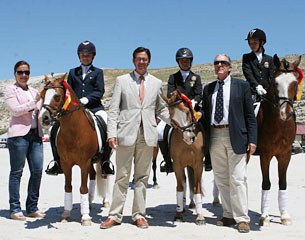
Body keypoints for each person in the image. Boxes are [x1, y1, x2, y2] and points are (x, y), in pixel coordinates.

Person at [100, 47, 170, 229]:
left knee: (142, 177)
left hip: (147, 135)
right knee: (122, 176)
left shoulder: (156, 82)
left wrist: (175, 122)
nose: (141, 62)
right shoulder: (122, 81)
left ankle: (139, 214)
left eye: (145, 59)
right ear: (133, 61)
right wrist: (111, 133)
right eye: (138, 59)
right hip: (125, 134)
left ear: (149, 61)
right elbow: (113, 109)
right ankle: (114, 215)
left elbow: (161, 108)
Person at [45, 40, 112, 204]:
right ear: (79, 56)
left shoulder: (98, 72)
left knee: (106, 123)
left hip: (95, 107)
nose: (85, 57)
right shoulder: (72, 72)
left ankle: (105, 161)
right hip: (74, 109)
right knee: (54, 130)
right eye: (83, 55)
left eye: (88, 55)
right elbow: (68, 91)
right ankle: (57, 162)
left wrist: (86, 100)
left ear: (92, 56)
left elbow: (100, 91)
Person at [201, 54, 257, 233]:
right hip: (215, 135)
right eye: (216, 63)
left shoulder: (242, 86)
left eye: (223, 63)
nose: (219, 65)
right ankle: (228, 214)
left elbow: (250, 116)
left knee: (238, 178)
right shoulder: (208, 89)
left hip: (236, 135)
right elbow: (205, 114)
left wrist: (253, 140)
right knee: (222, 178)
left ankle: (242, 218)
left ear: (230, 66)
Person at [4, 60, 45, 220]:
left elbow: (40, 111)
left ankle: (32, 207)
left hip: (36, 135)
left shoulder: (34, 90)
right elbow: (15, 111)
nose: (24, 75)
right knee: (16, 172)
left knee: (37, 171)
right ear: (14, 73)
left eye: (26, 72)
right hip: (18, 136)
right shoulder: (10, 90)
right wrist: (34, 102)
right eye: (20, 72)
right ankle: (15, 209)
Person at [158, 47, 208, 173]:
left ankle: (208, 158)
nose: (184, 63)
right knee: (160, 131)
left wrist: (194, 101)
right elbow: (170, 93)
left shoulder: (196, 77)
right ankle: (167, 161)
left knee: (207, 125)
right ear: (178, 62)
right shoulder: (173, 77)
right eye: (182, 61)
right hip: (178, 111)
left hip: (192, 110)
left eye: (187, 61)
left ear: (190, 62)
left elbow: (198, 93)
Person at [242, 28, 275, 99]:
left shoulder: (269, 59)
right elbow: (248, 74)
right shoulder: (246, 57)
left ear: (262, 43)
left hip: (267, 92)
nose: (252, 45)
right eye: (250, 43)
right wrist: (257, 86)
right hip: (252, 92)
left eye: (255, 43)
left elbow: (272, 76)